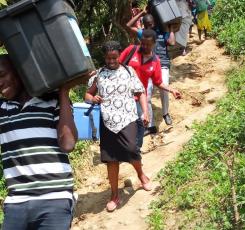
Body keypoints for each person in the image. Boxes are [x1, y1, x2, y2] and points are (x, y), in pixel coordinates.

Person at [0, 54, 80, 230]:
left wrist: (64, 92)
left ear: (20, 73)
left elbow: (68, 144)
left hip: (54, 199)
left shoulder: (53, 102)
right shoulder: (3, 109)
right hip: (16, 202)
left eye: (2, 75)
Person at [85, 41, 151, 212]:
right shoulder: (98, 74)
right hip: (107, 123)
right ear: (104, 58)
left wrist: (146, 112)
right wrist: (93, 99)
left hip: (128, 118)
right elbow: (87, 94)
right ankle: (114, 195)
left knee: (131, 149)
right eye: (108, 58)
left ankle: (141, 174)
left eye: (114, 57)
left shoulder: (129, 71)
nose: (112, 61)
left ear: (120, 55)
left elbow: (140, 92)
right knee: (111, 159)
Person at [119, 29, 181, 150]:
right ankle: (125, 149)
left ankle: (135, 150)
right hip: (123, 95)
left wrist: (171, 90)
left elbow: (158, 82)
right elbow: (117, 65)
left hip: (139, 97)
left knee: (142, 123)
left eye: (148, 44)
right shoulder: (132, 50)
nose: (144, 46)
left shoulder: (156, 61)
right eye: (143, 43)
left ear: (154, 44)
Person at [127, 12, 176, 134]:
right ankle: (151, 125)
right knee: (146, 95)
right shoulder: (143, 34)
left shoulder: (161, 33)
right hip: (147, 67)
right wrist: (140, 14)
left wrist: (171, 29)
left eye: (151, 24)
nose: (149, 27)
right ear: (144, 25)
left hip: (162, 64)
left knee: (164, 89)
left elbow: (172, 42)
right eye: (147, 25)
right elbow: (128, 26)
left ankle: (165, 113)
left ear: (154, 23)